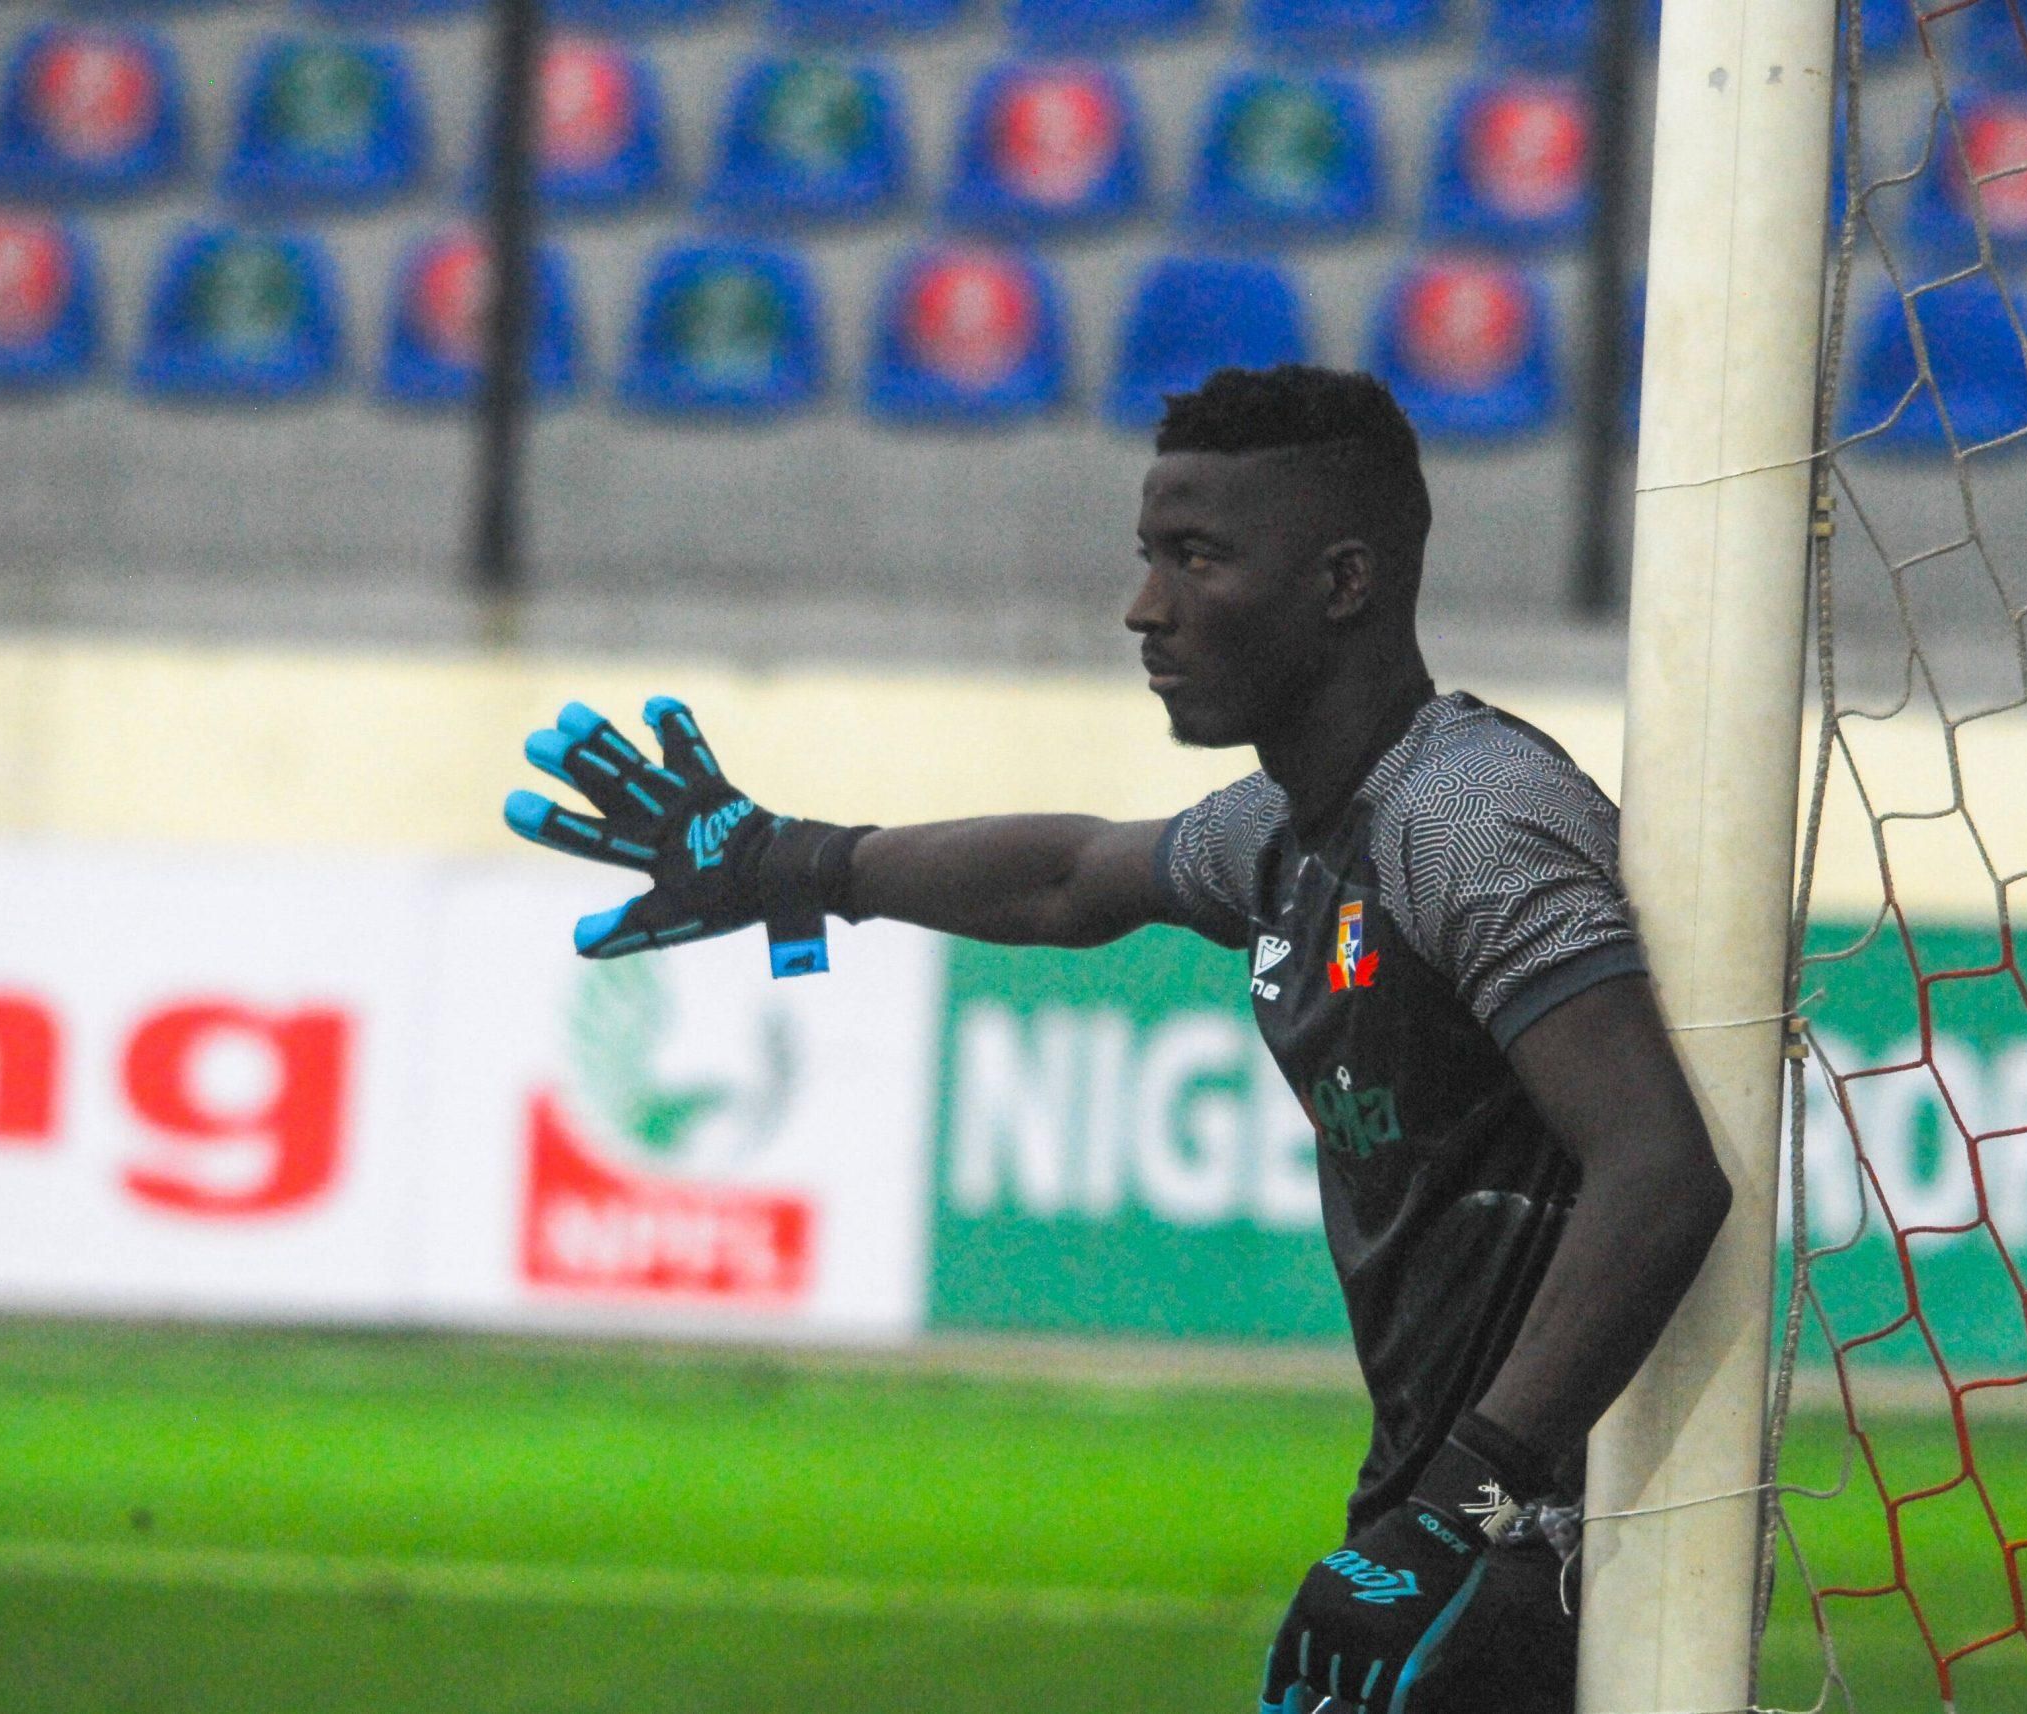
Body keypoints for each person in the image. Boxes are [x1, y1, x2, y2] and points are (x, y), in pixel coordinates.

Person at [502, 364, 1735, 1714]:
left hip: (1542, 1547)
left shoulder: (1467, 820)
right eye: (1150, 556)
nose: (1145, 607)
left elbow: (1658, 1171)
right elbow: (1073, 876)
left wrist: (1458, 1511)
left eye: (1197, 558)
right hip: (1446, 1528)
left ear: (1343, 582)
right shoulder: (1291, 831)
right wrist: (793, 861)